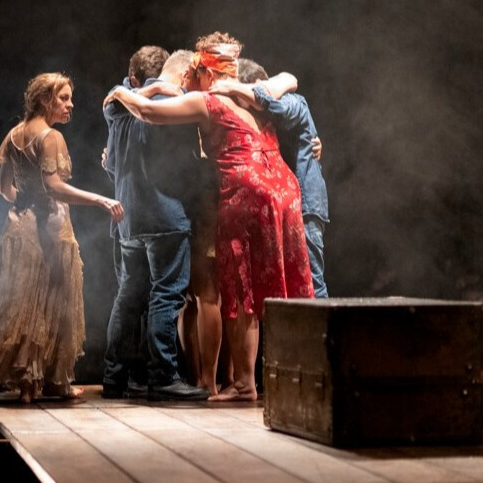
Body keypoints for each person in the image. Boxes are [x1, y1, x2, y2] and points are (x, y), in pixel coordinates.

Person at [104, 32, 314, 401]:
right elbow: (289, 78)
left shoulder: (208, 100)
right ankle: (302, 375)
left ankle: (246, 381)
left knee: (241, 290)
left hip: (245, 192)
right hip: (284, 189)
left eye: (192, 74)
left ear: (202, 71)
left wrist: (122, 93)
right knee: (286, 287)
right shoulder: (257, 94)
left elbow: (149, 113)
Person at [0, 72, 124, 404]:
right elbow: (55, 186)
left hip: (18, 228)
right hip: (49, 230)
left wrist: (25, 203)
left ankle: (34, 383)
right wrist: (101, 199)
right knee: (51, 303)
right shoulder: (51, 137)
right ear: (46, 100)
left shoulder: (13, 134)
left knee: (25, 303)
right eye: (64, 98)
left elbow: (4, 189)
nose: (71, 105)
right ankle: (46, 382)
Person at [102, 47, 209, 401]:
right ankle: (162, 374)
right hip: (163, 213)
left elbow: (111, 163)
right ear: (179, 75)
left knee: (129, 296)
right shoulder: (172, 102)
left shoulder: (119, 106)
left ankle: (115, 376)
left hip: (128, 218)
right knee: (166, 293)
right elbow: (186, 165)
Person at [214, 57, 330, 298]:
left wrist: (240, 89)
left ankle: (322, 336)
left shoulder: (291, 101)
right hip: (281, 209)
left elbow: (279, 108)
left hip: (305, 207)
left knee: (311, 285)